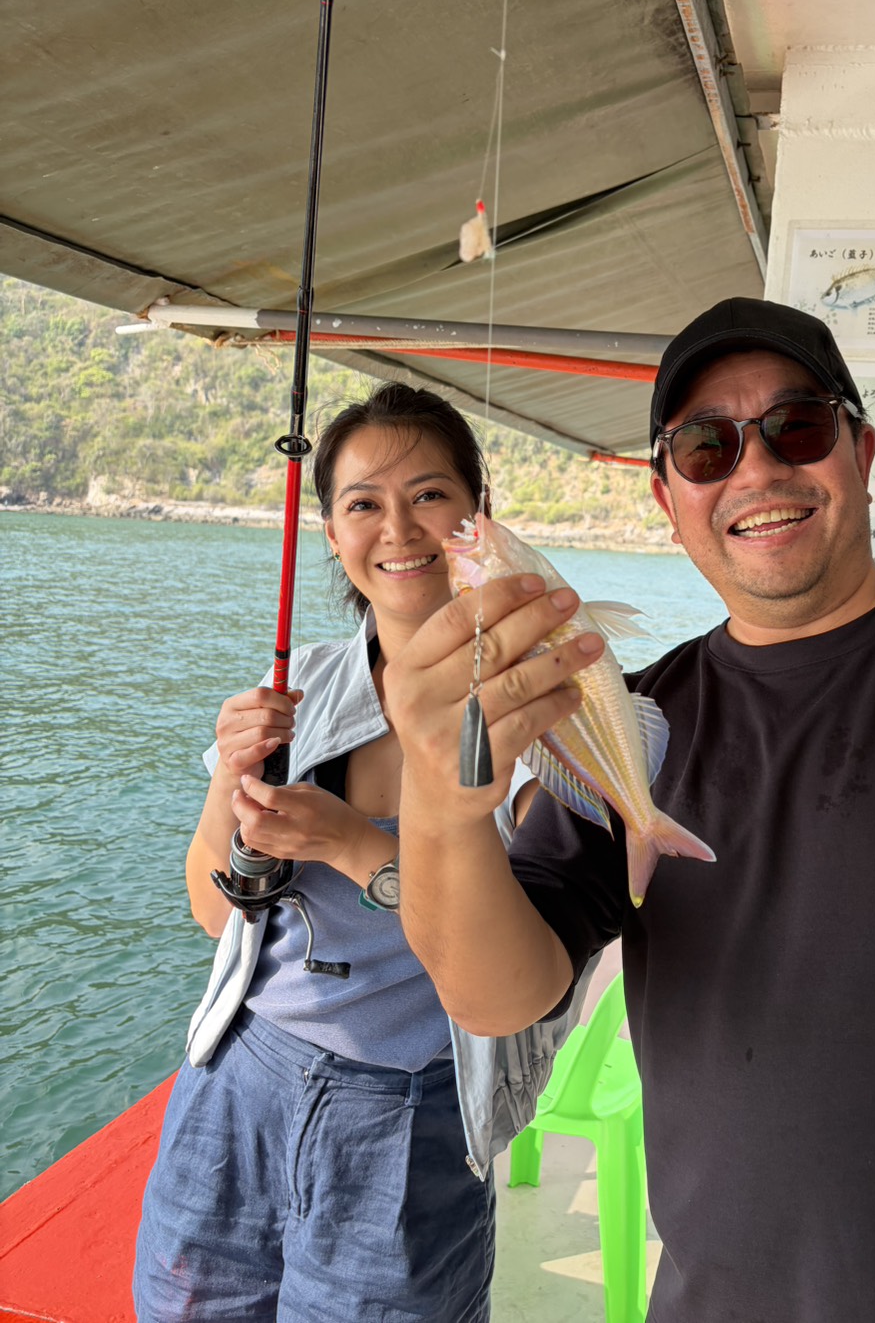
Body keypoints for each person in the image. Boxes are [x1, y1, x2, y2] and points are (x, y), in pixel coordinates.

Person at [385, 297, 875, 1323]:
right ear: (668, 495)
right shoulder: (626, 722)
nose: (756, 469)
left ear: (860, 452)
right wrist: (439, 797)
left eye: (796, 426)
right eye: (705, 446)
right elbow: (496, 997)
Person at [133, 382, 592, 1323]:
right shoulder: (297, 685)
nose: (399, 528)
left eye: (429, 494)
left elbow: (519, 973)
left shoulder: (538, 714)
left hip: (412, 1111)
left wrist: (348, 844)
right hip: (237, 1079)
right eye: (363, 503)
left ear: (478, 515)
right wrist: (231, 777)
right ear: (332, 533)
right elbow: (215, 910)